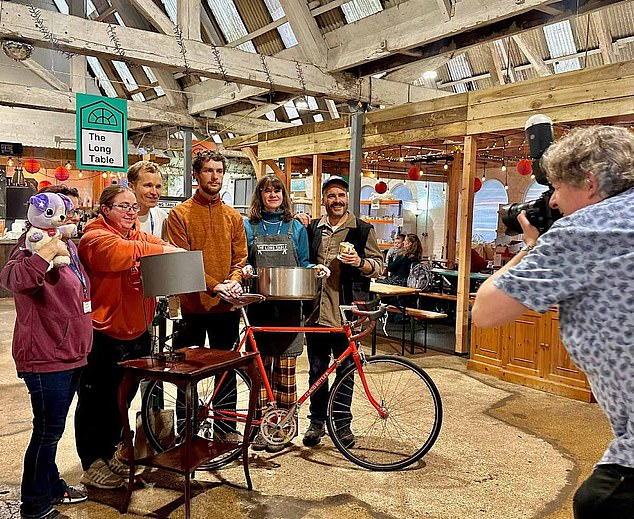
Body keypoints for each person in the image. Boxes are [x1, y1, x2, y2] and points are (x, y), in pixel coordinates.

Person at [472, 125, 634, 519]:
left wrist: (532, 247)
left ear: (591, 183)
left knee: (600, 503)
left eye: (559, 189)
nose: (555, 202)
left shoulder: (584, 230)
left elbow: (487, 311)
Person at [76, 185, 181, 490]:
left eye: (134, 207)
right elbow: (121, 255)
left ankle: (109, 453)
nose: (131, 213)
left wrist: (166, 248)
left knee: (121, 400)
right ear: (105, 209)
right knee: (96, 401)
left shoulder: (138, 236)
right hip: (104, 335)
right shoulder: (94, 238)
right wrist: (163, 250)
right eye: (123, 207)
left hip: (137, 333)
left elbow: (157, 243)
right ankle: (91, 462)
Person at [1, 190, 92, 518]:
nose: (72, 217)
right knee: (47, 430)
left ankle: (52, 484)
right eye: (66, 210)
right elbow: (12, 279)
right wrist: (43, 254)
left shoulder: (68, 244)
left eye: (74, 211)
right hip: (45, 355)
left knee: (54, 429)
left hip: (71, 352)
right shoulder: (30, 244)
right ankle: (35, 505)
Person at [242, 175, 328, 452]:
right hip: (259, 308)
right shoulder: (249, 226)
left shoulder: (296, 227)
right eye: (267, 191)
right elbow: (244, 260)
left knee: (286, 372)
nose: (272, 195)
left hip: (290, 310)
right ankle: (259, 429)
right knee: (261, 372)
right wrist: (244, 270)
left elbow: (302, 262)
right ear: (260, 195)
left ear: (284, 195)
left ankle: (282, 429)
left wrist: (314, 269)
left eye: (277, 190)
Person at [167, 150, 248, 442]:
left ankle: (226, 431)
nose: (215, 176)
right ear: (196, 175)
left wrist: (234, 281)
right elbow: (183, 262)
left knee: (226, 372)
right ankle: (186, 433)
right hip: (191, 308)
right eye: (208, 171)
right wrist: (217, 285)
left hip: (226, 308)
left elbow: (240, 257)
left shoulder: (233, 216)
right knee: (185, 374)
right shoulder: (179, 215)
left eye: (219, 171)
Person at [302, 176, 384, 448]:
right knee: (316, 370)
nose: (336, 200)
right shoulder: (313, 228)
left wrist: (360, 262)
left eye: (341, 195)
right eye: (331, 196)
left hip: (347, 313)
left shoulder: (362, 230)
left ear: (347, 198)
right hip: (316, 311)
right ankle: (316, 422)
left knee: (346, 369)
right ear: (324, 200)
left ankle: (342, 423)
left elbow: (379, 266)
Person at [127, 160, 169, 239]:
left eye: (158, 187)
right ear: (131, 187)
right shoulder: (118, 217)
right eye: (148, 186)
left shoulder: (162, 217)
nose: (154, 192)